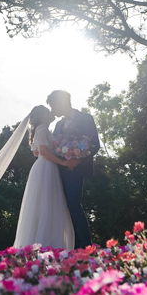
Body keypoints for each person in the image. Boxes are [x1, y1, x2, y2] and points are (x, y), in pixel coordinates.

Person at [14, 105, 74, 250]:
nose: (51, 113)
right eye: (47, 112)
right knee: (47, 205)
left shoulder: (41, 130)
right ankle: (45, 246)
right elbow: (42, 151)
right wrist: (63, 162)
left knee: (45, 205)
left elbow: (36, 152)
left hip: (45, 167)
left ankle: (45, 245)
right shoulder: (42, 129)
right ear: (43, 116)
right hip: (46, 168)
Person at [48, 90, 100, 247]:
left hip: (76, 170)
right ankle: (66, 243)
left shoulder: (86, 118)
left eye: (53, 106)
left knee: (73, 204)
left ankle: (84, 244)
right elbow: (54, 146)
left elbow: (94, 144)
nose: (52, 110)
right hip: (58, 171)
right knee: (61, 206)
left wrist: (78, 160)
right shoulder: (57, 125)